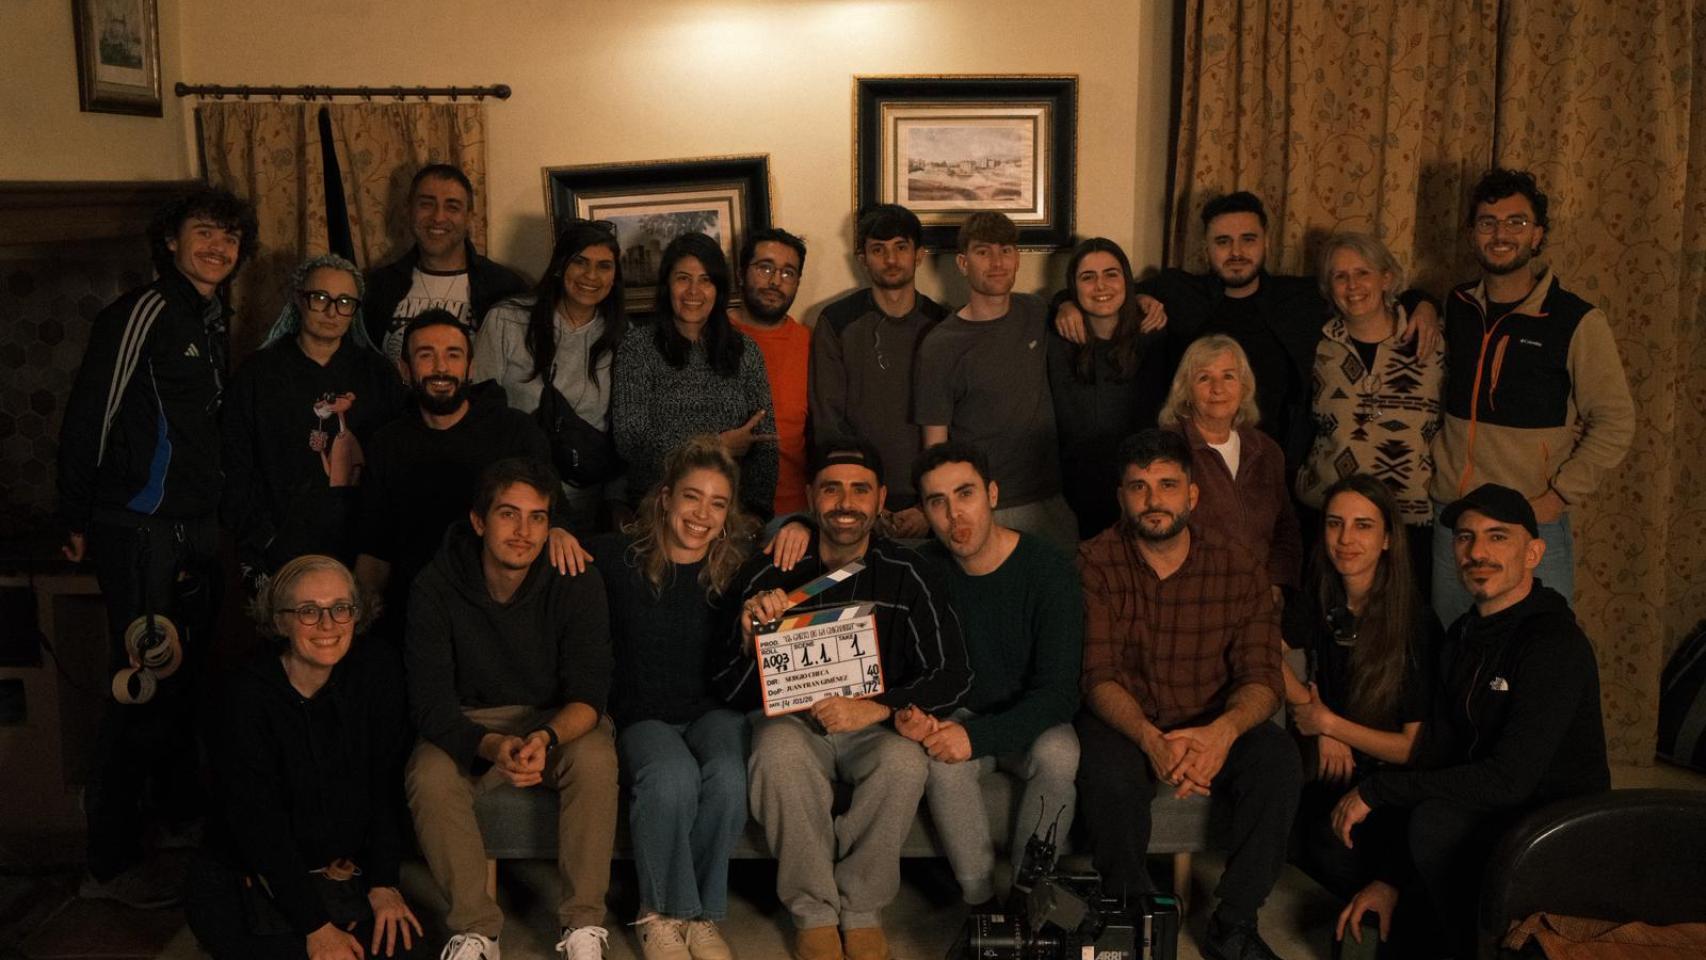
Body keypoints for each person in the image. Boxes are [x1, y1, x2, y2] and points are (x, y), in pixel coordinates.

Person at [56, 186, 258, 907]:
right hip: (139, 531)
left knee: (183, 685)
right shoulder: (142, 310)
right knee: (138, 688)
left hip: (195, 532)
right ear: (169, 240)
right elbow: (93, 410)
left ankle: (172, 824)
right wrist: (74, 513)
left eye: (230, 237)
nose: (218, 247)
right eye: (204, 232)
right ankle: (107, 867)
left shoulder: (208, 315)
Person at [1334, 483, 1609, 959]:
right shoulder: (1462, 635)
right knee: (1353, 849)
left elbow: (1508, 781)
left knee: (1431, 821)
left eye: (1497, 537)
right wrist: (1390, 877)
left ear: (1534, 552)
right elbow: (1435, 753)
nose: (1478, 551)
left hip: (1555, 829)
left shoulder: (1553, 645)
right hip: (1483, 811)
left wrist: (1376, 793)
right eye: (1465, 538)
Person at [724, 438, 971, 960]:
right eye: (832, 489)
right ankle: (813, 911)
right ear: (811, 497)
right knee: (775, 753)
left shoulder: (911, 574)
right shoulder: (771, 571)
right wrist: (750, 641)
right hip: (793, 722)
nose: (846, 502)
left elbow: (952, 673)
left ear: (881, 499)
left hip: (874, 726)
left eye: (860, 490)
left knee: (905, 763)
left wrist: (879, 708)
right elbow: (722, 687)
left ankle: (860, 907)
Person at [1076, 429, 1301, 960]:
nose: (1153, 500)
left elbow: (1263, 676)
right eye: (1138, 487)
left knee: (1279, 761)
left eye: (1167, 485)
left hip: (1214, 715)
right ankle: (1131, 914)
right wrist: (1153, 741)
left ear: (1192, 496)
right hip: (1130, 721)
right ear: (1121, 498)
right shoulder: (1094, 561)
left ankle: (1234, 921)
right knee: (1106, 769)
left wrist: (1220, 735)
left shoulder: (1239, 564)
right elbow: (1097, 675)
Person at [1053, 192, 1440, 476]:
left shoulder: (1302, 298)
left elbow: (1368, 291)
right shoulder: (1177, 290)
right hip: (1194, 465)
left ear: (1266, 242)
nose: (1236, 251)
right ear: (1206, 248)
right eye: (1223, 241)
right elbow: (1109, 294)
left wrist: (1423, 303)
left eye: (1248, 240)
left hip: (1281, 466)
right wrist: (1063, 303)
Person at [404, 458, 617, 960]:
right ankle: (477, 931)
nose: (523, 531)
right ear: (479, 521)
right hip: (472, 719)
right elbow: (430, 705)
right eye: (508, 515)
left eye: (537, 517)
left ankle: (583, 926)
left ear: (551, 525)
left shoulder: (576, 579)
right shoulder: (433, 586)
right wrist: (494, 745)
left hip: (557, 718)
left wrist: (543, 738)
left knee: (596, 759)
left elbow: (589, 693)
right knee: (428, 773)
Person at [186, 555, 425, 960]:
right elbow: (258, 825)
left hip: (341, 871)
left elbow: (386, 785)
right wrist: (316, 927)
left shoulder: (377, 671)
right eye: (308, 611)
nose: (328, 624)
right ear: (279, 621)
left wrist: (384, 882)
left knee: (403, 948)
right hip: (252, 870)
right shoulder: (244, 695)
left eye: (340, 609)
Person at [1429, 168, 1634, 622]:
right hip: (1454, 522)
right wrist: (1418, 304)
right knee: (1455, 653)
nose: (1501, 234)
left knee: (1537, 657)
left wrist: (1558, 496)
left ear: (1538, 234)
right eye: (1488, 222)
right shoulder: (1455, 306)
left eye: (1516, 222)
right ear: (1472, 233)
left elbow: (1615, 421)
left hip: (1529, 522)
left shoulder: (1576, 320)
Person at [589, 436, 758, 960]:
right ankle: (659, 914)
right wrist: (553, 534)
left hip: (714, 710)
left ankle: (702, 916)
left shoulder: (740, 569)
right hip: (642, 715)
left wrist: (795, 527)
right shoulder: (616, 557)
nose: (702, 514)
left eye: (717, 503)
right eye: (691, 497)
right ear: (665, 497)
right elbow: (555, 553)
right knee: (670, 777)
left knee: (730, 778)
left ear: (729, 513)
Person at [901, 441, 1082, 909]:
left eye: (965, 494)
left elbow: (1059, 694)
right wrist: (916, 716)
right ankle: (981, 906)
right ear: (924, 510)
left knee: (1061, 751)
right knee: (942, 762)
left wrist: (976, 737)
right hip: (959, 713)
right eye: (937, 502)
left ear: (993, 494)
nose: (954, 514)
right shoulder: (921, 569)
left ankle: (1028, 898)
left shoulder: (1048, 569)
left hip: (1032, 717)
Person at [354, 310, 588, 638]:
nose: (440, 368)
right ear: (404, 370)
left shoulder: (515, 431)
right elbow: (374, 548)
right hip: (415, 611)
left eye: (453, 355)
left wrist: (560, 530)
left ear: (471, 367)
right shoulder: (387, 443)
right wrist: (360, 621)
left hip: (502, 615)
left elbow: (553, 511)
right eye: (426, 355)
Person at [1280, 475, 1436, 903]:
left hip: (1396, 784)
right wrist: (1315, 717)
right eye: (1335, 524)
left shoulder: (1415, 622)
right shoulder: (1322, 595)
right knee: (1298, 841)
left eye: (1363, 526)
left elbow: (1410, 749)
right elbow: (1258, 648)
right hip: (1339, 769)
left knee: (1344, 858)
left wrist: (1331, 723)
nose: (1346, 538)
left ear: (1387, 539)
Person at [222, 254, 408, 587]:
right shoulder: (259, 373)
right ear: (298, 299)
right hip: (278, 551)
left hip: (359, 550)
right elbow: (234, 464)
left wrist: (378, 546)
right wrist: (262, 538)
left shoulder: (378, 374)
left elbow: (394, 463)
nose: (332, 311)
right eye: (320, 298)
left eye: (345, 302)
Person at [915, 212, 1077, 553]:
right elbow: (935, 447)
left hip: (1051, 497)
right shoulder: (940, 345)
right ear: (962, 262)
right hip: (986, 506)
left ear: (1017, 258)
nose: (997, 262)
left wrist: (1067, 305)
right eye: (983, 252)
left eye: (1005, 250)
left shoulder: (1036, 312)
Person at [1295, 234, 1443, 598]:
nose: (1353, 286)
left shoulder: (1433, 341)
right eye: (1340, 276)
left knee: (1404, 631)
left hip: (1408, 517)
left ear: (1387, 279)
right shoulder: (1314, 344)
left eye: (1363, 273)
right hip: (1330, 515)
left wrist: (1427, 305)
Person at [473, 219, 628, 533]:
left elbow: (624, 432)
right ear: (560, 266)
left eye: (604, 266)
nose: (591, 276)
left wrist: (616, 503)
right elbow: (479, 414)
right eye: (580, 262)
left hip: (584, 504)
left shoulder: (622, 338)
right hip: (513, 498)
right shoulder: (507, 320)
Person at [611, 232, 778, 519]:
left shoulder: (745, 350)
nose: (693, 291)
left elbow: (765, 441)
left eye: (705, 280)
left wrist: (755, 514)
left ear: (719, 289)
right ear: (667, 285)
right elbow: (631, 439)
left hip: (732, 512)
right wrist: (717, 444)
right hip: (658, 508)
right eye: (683, 278)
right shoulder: (637, 348)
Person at [809, 204, 949, 536]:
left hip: (929, 498)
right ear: (862, 259)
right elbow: (827, 420)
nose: (891, 259)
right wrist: (865, 502)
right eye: (878, 249)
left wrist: (929, 502)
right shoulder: (837, 321)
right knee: (857, 586)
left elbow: (958, 420)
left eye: (901, 247)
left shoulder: (944, 324)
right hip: (858, 499)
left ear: (919, 255)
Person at [1159, 335, 1301, 597]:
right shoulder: (1167, 449)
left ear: (1245, 387)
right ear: (1185, 390)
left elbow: (1286, 530)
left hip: (1259, 602)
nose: (1217, 388)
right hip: (1190, 602)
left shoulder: (1266, 451)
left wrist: (1275, 585)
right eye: (1204, 378)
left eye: (1228, 376)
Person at [1046, 237, 1168, 538]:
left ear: (1127, 280)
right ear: (1074, 288)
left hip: (1147, 491)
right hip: (1078, 493)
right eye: (1088, 277)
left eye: (1111, 274)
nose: (1101, 286)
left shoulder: (1154, 336)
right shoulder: (1057, 340)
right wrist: (1062, 302)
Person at [363, 163, 528, 363]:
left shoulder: (505, 288)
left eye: (452, 207)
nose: (438, 217)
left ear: (469, 218)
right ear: (408, 210)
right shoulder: (376, 287)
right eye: (427, 204)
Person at [730, 227, 813, 517]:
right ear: (741, 273)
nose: (776, 281)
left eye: (788, 273)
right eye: (765, 267)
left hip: (793, 515)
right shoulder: (708, 335)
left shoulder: (811, 344)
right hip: (718, 512)